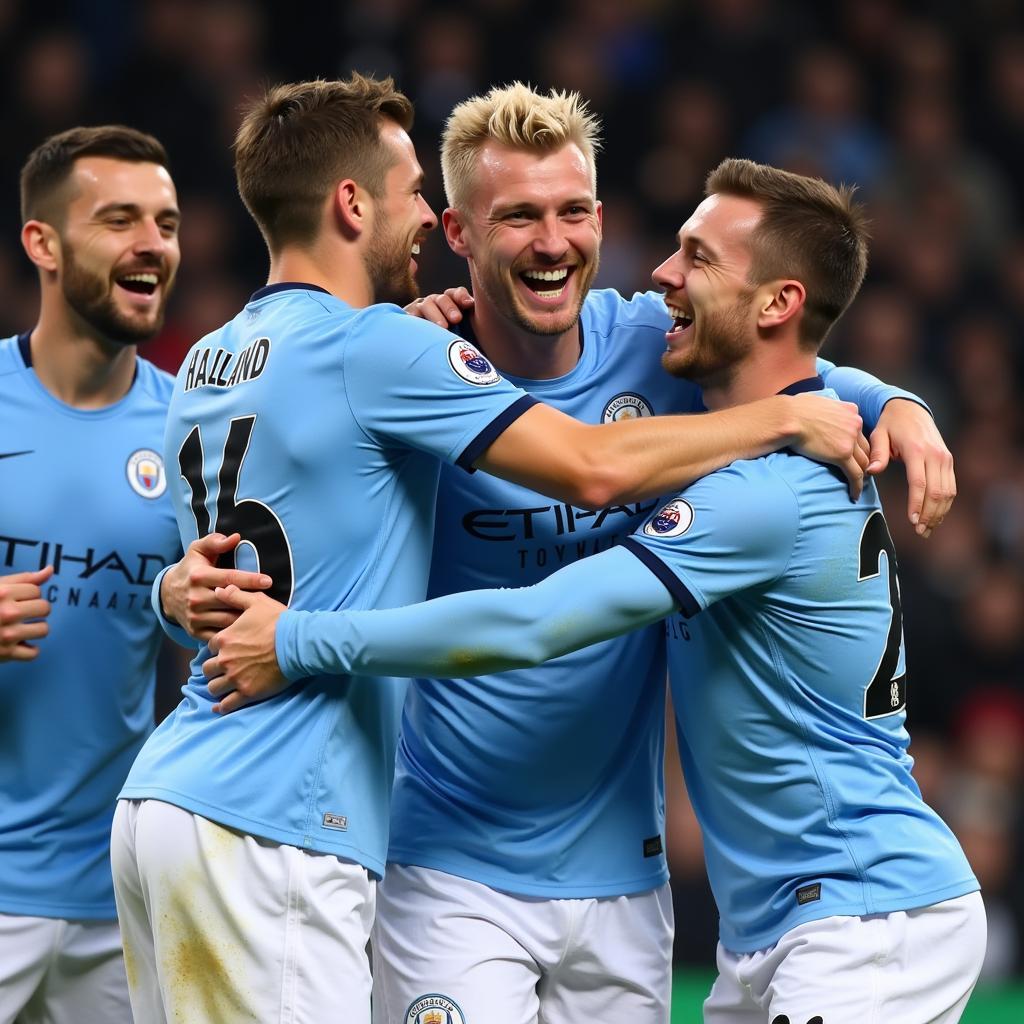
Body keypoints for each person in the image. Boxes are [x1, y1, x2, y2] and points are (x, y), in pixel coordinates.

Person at [110, 76, 866, 1024]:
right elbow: (593, 469)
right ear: (452, 234)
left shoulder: (652, 346)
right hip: (387, 848)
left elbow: (790, 346)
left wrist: (896, 407)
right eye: (507, 214)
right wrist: (781, 423)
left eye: (573, 211)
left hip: (608, 874)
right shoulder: (396, 352)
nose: (552, 240)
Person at [205, 158, 984, 1024]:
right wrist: (898, 400)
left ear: (775, 303)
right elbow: (811, 377)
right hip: (773, 928)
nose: (662, 275)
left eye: (697, 258)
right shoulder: (759, 429)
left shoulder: (761, 491)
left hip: (863, 918)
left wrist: (295, 640)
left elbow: (539, 620)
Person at [0, 125, 187, 1024]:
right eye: (120, 220)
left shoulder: (192, 429)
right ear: (43, 242)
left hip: (116, 895)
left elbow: (218, 650)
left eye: (167, 222)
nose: (153, 244)